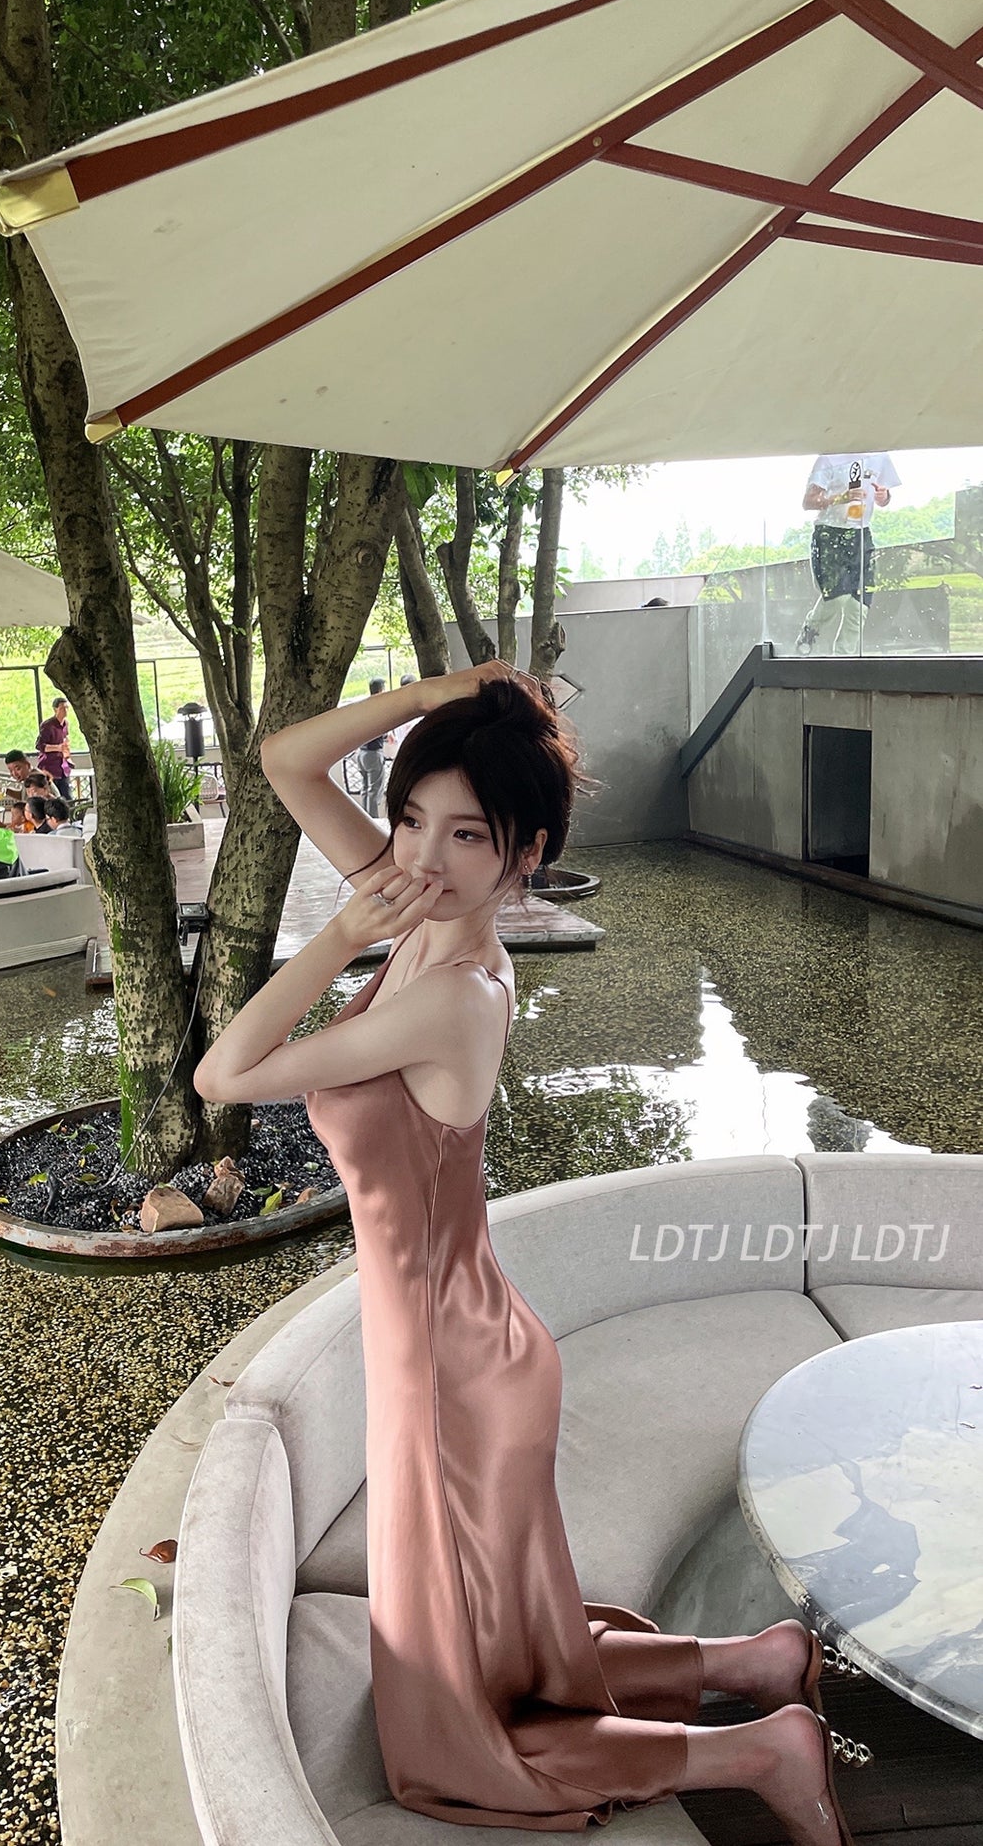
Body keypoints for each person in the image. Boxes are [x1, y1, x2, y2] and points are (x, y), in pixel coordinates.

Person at [192, 663, 856, 1845]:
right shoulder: (421, 910)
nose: (421, 855)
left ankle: (754, 1749)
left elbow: (223, 1075)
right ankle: (750, 1662)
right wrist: (443, 691)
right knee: (500, 1651)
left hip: (448, 1373)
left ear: (525, 854)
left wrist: (335, 938)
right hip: (458, 1347)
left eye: (465, 834)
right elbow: (284, 759)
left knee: (457, 1724)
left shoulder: (448, 987)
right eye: (409, 819)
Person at [796, 453, 900, 655]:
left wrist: (884, 496)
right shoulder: (829, 457)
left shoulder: (879, 455)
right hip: (830, 533)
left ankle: (845, 656)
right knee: (837, 596)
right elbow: (808, 502)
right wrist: (839, 498)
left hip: (861, 533)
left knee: (859, 605)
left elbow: (885, 497)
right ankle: (810, 632)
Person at [354, 676, 392, 817]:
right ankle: (372, 821)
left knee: (365, 789)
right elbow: (381, 728)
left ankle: (364, 818)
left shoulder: (364, 706)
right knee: (375, 791)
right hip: (373, 753)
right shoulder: (378, 707)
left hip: (361, 753)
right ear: (381, 690)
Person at [35, 696, 73, 801]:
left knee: (68, 798)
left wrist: (67, 755)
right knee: (53, 798)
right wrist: (57, 747)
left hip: (63, 767)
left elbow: (65, 739)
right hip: (50, 768)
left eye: (67, 708)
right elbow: (40, 746)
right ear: (55, 709)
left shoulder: (65, 724)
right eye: (62, 708)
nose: (65, 711)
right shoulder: (48, 725)